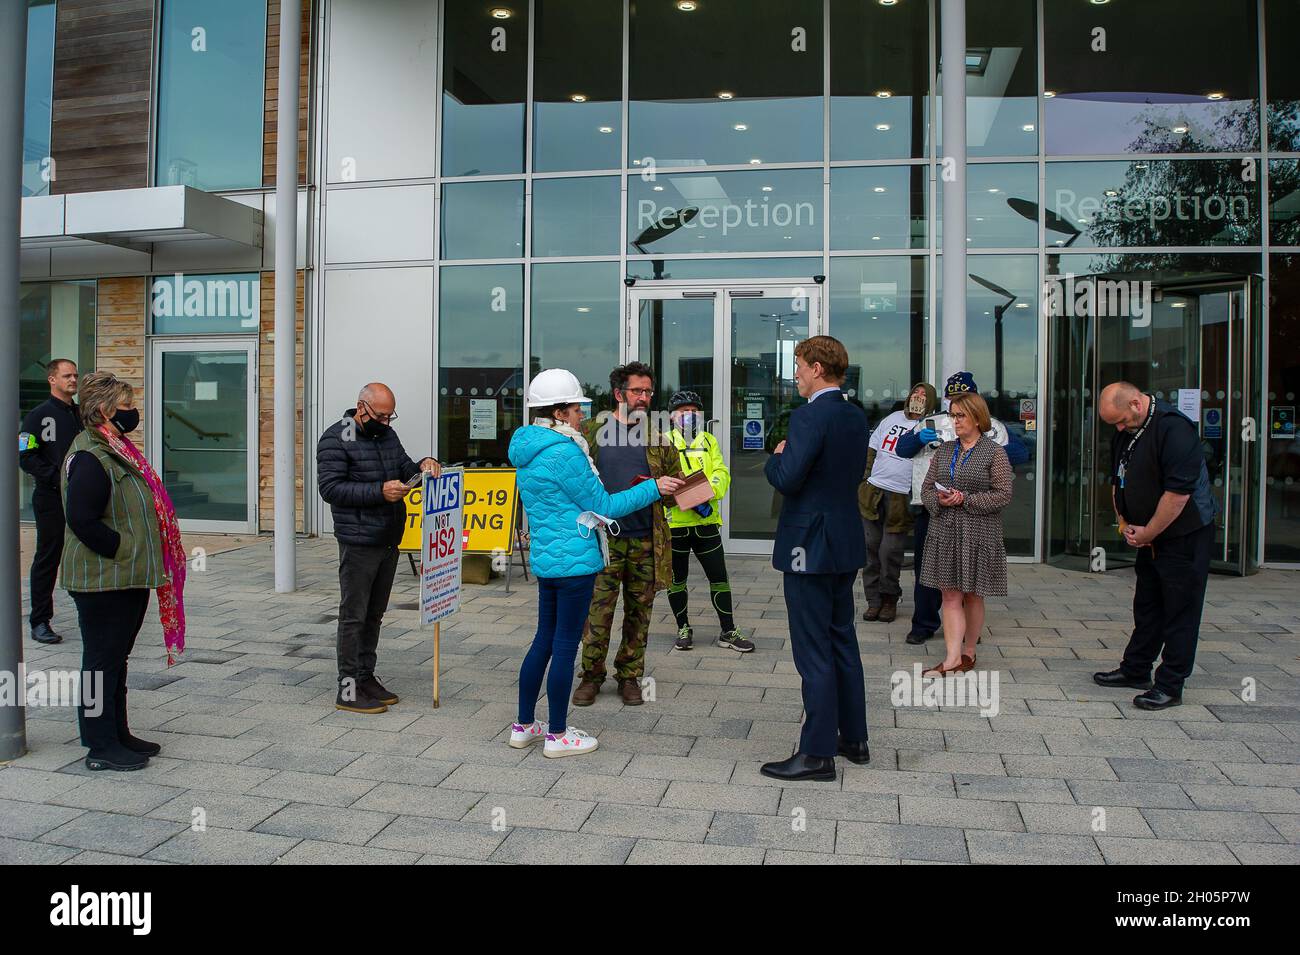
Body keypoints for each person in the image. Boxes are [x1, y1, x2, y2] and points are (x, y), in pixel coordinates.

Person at [508, 369, 683, 756]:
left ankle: (523, 725)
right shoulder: (567, 450)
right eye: (576, 408)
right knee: (567, 645)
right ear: (559, 412)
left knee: (543, 641)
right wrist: (651, 487)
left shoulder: (527, 448)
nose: (581, 414)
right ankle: (556, 734)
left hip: (549, 560)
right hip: (576, 560)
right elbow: (602, 506)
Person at [61, 371, 187, 771]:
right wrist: (122, 549)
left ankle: (118, 732)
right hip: (104, 578)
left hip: (127, 574)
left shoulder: (116, 448)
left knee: (117, 657)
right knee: (101, 660)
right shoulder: (90, 456)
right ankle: (100, 745)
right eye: (128, 406)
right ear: (104, 410)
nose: (134, 413)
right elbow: (81, 518)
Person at [760, 336, 870, 782]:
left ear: (819, 369)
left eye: (801, 366)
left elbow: (788, 479)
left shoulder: (808, 417)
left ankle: (817, 752)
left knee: (812, 650)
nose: (797, 374)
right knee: (842, 638)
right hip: (843, 542)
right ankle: (854, 739)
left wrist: (775, 457)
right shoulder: (854, 415)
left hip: (809, 545)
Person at [1093, 381, 1217, 710]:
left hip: (1183, 536)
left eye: (1120, 420)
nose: (1118, 428)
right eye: (1113, 424)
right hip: (1146, 535)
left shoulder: (1175, 430)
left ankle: (1170, 684)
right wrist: (1123, 522)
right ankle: (1135, 669)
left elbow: (1177, 496)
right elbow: (1117, 479)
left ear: (1136, 403)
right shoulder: (1127, 430)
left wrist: (1149, 532)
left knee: (1180, 610)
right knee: (1148, 605)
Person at [317, 382, 439, 714]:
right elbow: (330, 488)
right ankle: (347, 687)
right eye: (381, 416)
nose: (386, 423)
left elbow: (405, 468)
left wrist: (425, 465)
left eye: (390, 417)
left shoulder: (386, 435)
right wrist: (378, 492)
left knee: (375, 614)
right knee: (354, 615)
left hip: (388, 536)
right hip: (358, 540)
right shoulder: (336, 437)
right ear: (361, 407)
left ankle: (365, 676)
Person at [573, 362, 684, 707]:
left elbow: (676, 484)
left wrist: (672, 489)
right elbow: (573, 482)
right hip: (603, 540)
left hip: (646, 540)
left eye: (648, 391)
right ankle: (591, 676)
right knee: (597, 613)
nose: (644, 397)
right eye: (637, 391)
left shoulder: (658, 438)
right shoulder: (590, 434)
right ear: (619, 394)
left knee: (640, 613)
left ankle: (630, 676)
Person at [895, 372, 1027, 645]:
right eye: (952, 396)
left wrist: (988, 446)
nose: (956, 403)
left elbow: (1020, 453)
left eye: (963, 396)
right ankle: (924, 623)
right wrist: (920, 439)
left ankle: (967, 631)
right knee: (928, 571)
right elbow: (902, 448)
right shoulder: (929, 421)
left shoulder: (994, 427)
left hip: (974, 512)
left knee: (968, 575)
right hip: (932, 507)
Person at [918, 392, 1013, 676]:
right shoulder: (945, 450)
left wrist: (966, 499)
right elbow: (926, 489)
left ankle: (969, 650)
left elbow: (1003, 495)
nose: (955, 421)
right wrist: (940, 500)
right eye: (952, 415)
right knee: (949, 594)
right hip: (945, 530)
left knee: (972, 594)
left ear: (977, 417)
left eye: (960, 415)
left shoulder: (994, 452)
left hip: (979, 532)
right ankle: (952, 657)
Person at [664, 390, 753, 653]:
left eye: (694, 411)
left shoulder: (709, 440)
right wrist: (689, 493)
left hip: (706, 523)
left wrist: (707, 491)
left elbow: (721, 473)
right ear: (671, 417)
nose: (689, 415)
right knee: (676, 580)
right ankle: (683, 627)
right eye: (683, 411)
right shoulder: (663, 441)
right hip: (676, 525)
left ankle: (728, 630)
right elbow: (662, 479)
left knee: (719, 578)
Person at [858, 382, 937, 624]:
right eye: (916, 392)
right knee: (870, 548)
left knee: (889, 552)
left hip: (901, 496)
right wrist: (866, 479)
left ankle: (890, 597)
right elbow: (872, 448)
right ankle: (873, 601)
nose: (919, 397)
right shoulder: (892, 418)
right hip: (875, 491)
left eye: (924, 395)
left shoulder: (932, 425)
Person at [19, 358, 83, 645]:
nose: (73, 380)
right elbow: (25, 455)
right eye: (67, 375)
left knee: (84, 552)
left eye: (75, 375)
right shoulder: (37, 416)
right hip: (51, 498)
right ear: (52, 379)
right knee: (48, 556)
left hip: (82, 498)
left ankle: (91, 613)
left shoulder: (82, 415)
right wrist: (55, 478)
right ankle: (40, 620)